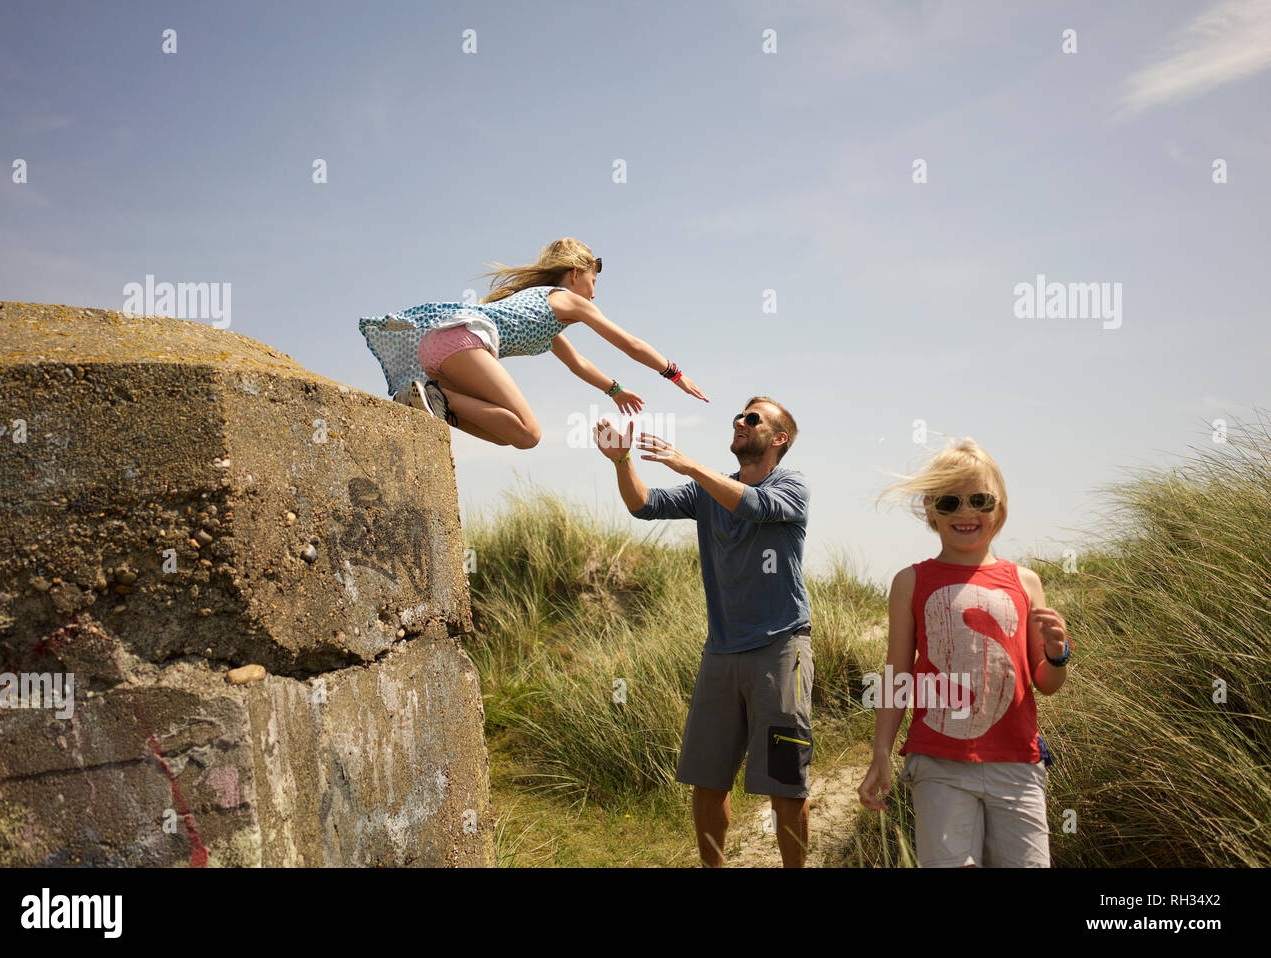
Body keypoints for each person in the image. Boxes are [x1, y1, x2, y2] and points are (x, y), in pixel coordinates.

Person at [595, 398, 813, 867]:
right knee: (707, 779)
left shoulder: (790, 486)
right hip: (721, 652)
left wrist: (690, 465)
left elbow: (755, 506)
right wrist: (622, 460)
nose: (740, 420)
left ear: (779, 439)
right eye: (739, 414)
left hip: (781, 647)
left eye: (752, 418)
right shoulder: (708, 492)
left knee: (784, 780)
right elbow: (642, 504)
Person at [856, 438, 1073, 867]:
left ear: (1000, 508)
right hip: (939, 764)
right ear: (930, 510)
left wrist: (1058, 653)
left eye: (979, 499)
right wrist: (881, 750)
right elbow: (897, 672)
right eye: (949, 502)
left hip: (1018, 764)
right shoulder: (910, 581)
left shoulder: (1024, 581)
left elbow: (1045, 683)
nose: (966, 512)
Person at [358, 237, 707, 448]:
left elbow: (578, 363)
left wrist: (615, 391)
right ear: (575, 274)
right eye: (593, 281)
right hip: (463, 341)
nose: (594, 292)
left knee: (503, 434)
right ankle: (437, 394)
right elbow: (628, 343)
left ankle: (429, 399)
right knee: (530, 433)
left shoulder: (545, 315)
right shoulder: (567, 299)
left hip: (438, 347)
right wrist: (672, 373)